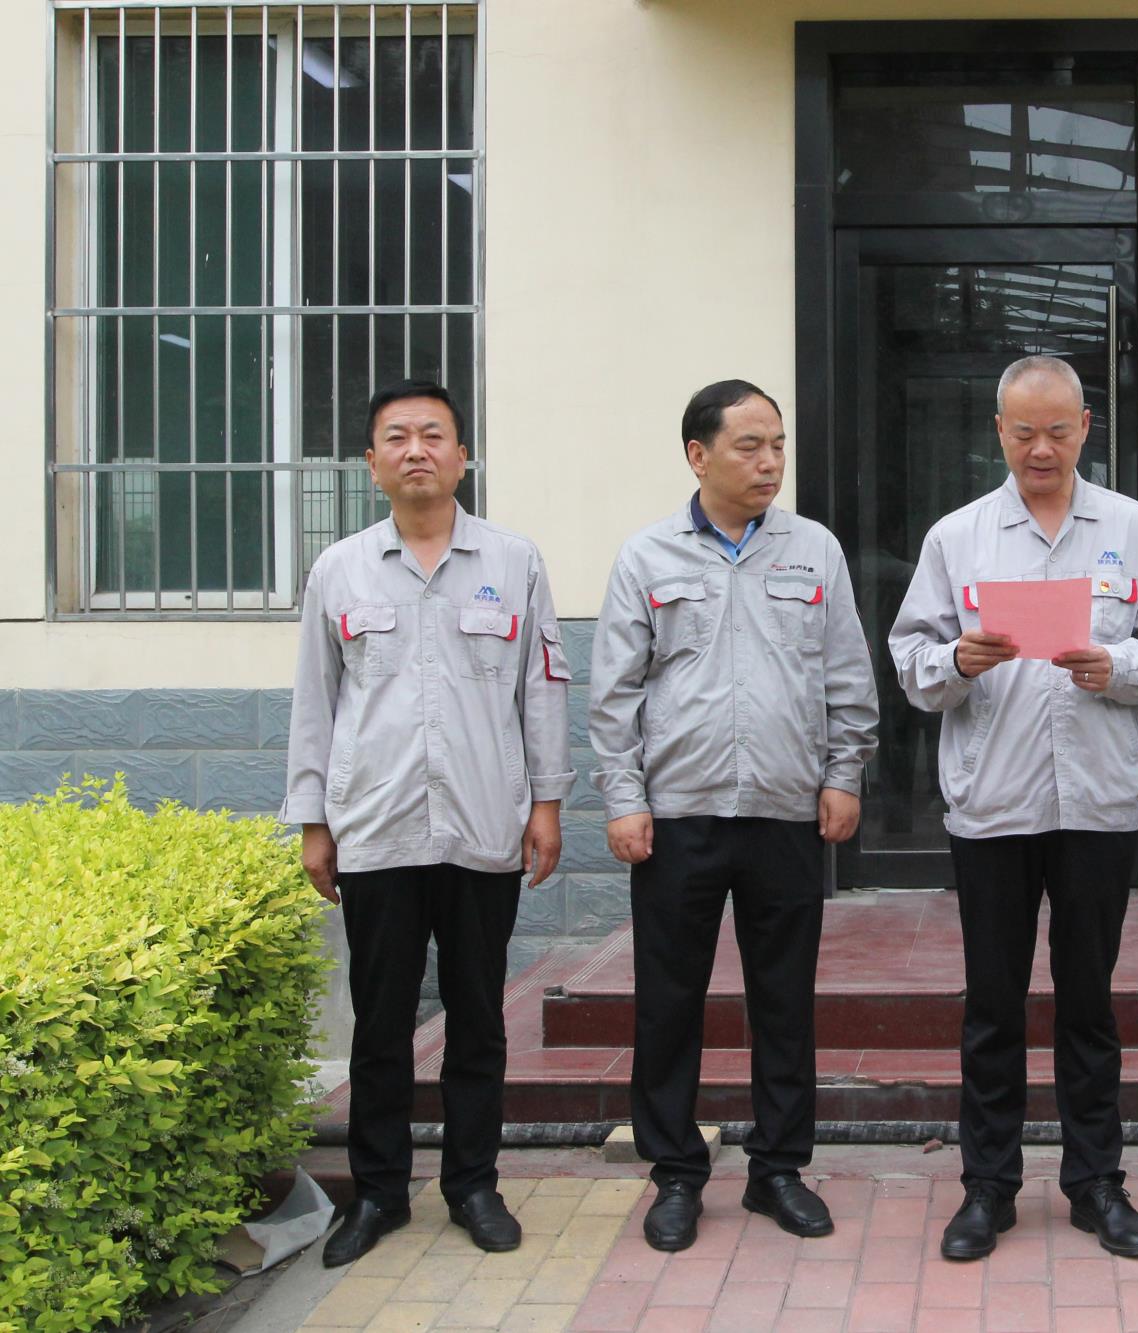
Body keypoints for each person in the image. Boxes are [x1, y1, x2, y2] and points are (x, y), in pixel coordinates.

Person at [888, 355, 1138, 1261]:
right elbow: (911, 657)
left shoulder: (1134, 529)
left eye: (1058, 430)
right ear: (999, 431)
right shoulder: (959, 537)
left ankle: (1097, 1182)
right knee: (993, 1004)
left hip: (1096, 803)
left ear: (1086, 427)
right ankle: (989, 1186)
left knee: (1090, 1003)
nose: (1042, 449)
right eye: (1024, 432)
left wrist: (1117, 665)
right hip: (994, 802)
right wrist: (956, 661)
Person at [284, 379, 572, 1267]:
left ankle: (473, 1185)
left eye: (435, 435)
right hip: (376, 829)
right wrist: (313, 820)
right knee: (381, 1025)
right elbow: (315, 701)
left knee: (478, 1019)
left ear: (463, 456)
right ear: (371, 463)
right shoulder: (339, 569)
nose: (418, 450)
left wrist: (548, 803)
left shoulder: (514, 562)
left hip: (485, 826)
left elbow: (542, 689)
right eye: (398, 437)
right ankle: (378, 1194)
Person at [589, 380, 878, 1254]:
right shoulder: (647, 556)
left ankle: (778, 1168)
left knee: (784, 1000)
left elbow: (846, 673)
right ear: (698, 454)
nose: (769, 462)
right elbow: (615, 693)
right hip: (678, 816)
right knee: (668, 1001)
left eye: (777, 444)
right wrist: (624, 799)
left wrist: (844, 773)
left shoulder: (813, 550)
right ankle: (677, 1173)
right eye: (750, 445)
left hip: (786, 812)